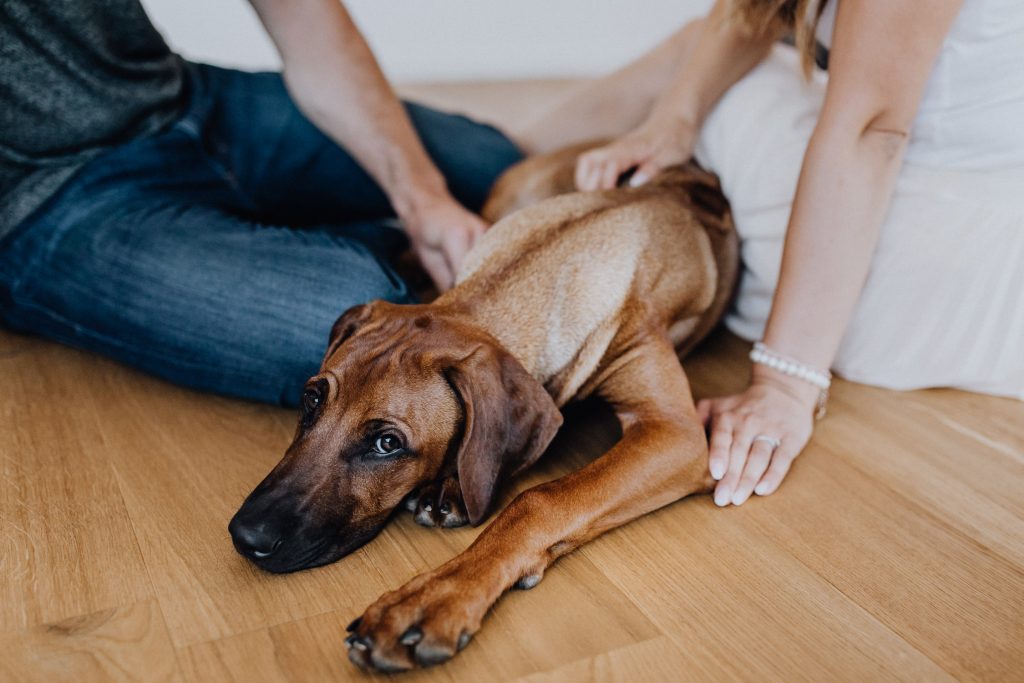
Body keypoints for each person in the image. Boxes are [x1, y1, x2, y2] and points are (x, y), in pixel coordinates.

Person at [520, 0, 1024, 506]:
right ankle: (492, 163)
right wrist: (671, 125)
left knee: (698, 59)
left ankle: (493, 164)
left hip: (931, 246)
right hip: (933, 183)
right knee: (707, 52)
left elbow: (871, 130)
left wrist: (785, 383)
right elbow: (753, 12)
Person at [0, 0, 522, 406]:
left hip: (180, 98)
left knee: (495, 164)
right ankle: (331, 243)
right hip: (41, 197)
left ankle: (311, 239)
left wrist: (423, 197)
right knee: (362, 326)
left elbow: (302, 13)